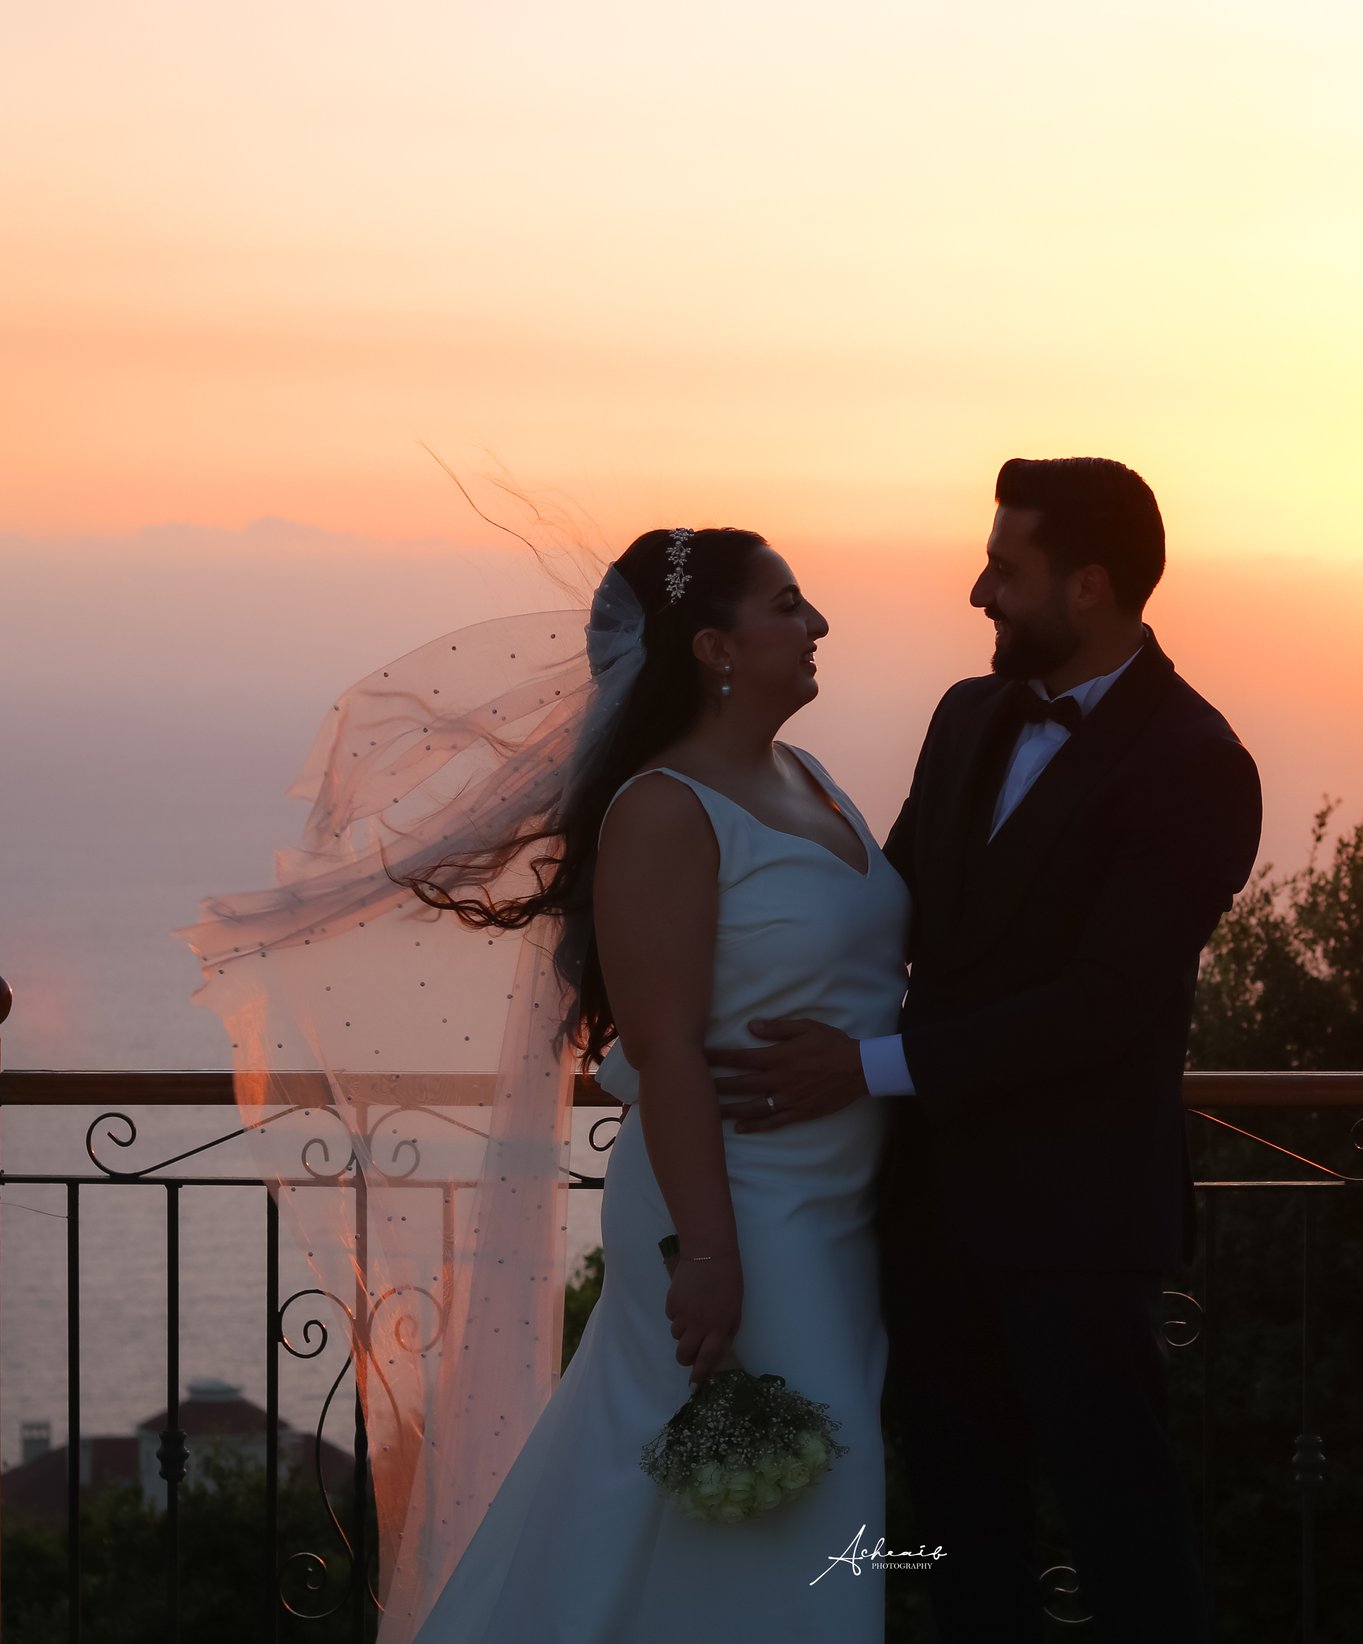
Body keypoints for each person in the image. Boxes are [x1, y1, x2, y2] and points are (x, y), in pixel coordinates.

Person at [712, 457, 1263, 1642]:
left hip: (1077, 1233)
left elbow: (1104, 1007)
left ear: (1094, 586)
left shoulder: (1197, 765)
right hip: (928, 1215)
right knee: (966, 1550)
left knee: (1129, 1544)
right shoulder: (966, 715)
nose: (978, 590)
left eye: (1005, 569)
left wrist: (859, 1068)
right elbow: (886, 905)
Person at [413, 525, 907, 1640]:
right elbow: (667, 1046)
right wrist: (712, 1257)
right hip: (735, 1209)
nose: (817, 622)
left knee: (727, 1501)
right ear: (714, 648)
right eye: (788, 603)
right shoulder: (663, 809)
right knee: (802, 1491)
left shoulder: (805, 776)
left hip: (836, 1208)